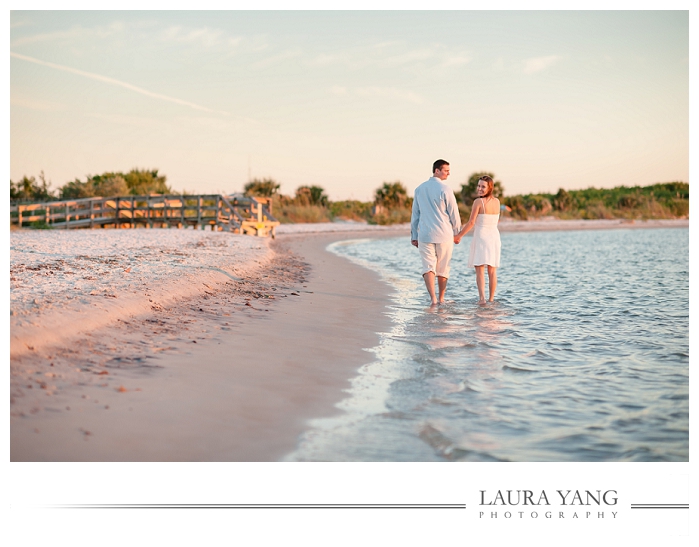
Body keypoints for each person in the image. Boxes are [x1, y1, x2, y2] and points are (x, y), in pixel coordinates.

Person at [410, 159, 461, 306]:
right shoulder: (445, 189)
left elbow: (415, 215)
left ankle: (433, 299)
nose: (448, 173)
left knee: (428, 267)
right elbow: (454, 214)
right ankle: (441, 298)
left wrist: (414, 235)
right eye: (446, 170)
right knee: (443, 268)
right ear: (436, 170)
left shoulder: (419, 189)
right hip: (444, 235)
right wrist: (457, 233)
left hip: (424, 235)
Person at [454, 175, 501, 305]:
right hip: (494, 236)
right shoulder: (497, 202)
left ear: (489, 187)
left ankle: (482, 299)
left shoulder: (478, 202)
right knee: (492, 270)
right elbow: (495, 220)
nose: (479, 188)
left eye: (483, 186)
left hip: (482, 236)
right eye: (479, 186)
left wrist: (459, 236)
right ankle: (491, 300)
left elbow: (471, 223)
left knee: (480, 269)